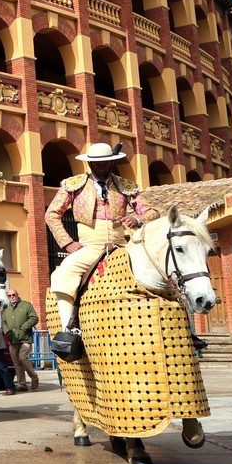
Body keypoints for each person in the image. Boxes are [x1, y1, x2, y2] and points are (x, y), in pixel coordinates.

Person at [44, 142, 154, 357]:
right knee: (64, 272)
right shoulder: (73, 185)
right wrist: (67, 243)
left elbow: (150, 211)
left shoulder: (126, 186)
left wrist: (137, 219)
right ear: (90, 164)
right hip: (91, 245)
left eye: (106, 162)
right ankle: (69, 330)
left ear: (112, 162)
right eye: (98, 163)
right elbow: (52, 214)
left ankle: (180, 320)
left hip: (122, 244)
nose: (102, 166)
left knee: (160, 265)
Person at [2, 288, 39, 391]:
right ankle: (22, 384)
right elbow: (3, 322)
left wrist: (24, 327)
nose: (12, 297)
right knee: (16, 363)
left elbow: (34, 318)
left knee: (22, 358)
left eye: (13, 295)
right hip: (12, 340)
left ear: (17, 295)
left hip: (25, 339)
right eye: (9, 296)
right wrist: (7, 331)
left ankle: (34, 376)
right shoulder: (5, 309)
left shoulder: (26, 306)